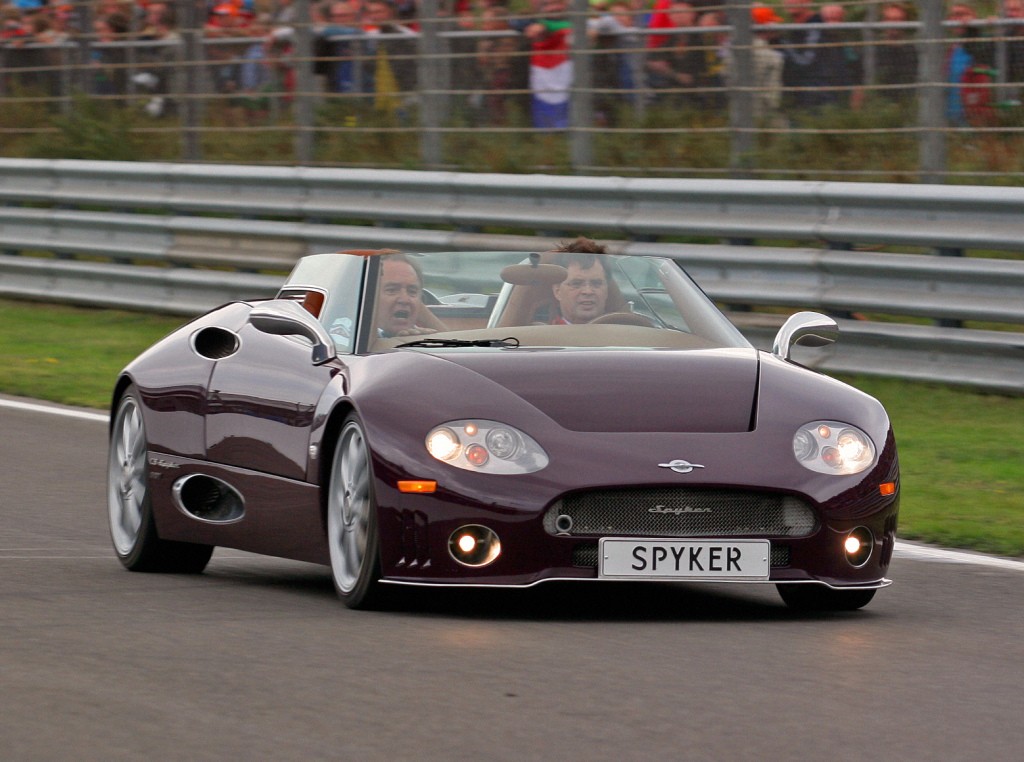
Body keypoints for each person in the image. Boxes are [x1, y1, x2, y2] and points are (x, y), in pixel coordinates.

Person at [550, 238, 612, 325]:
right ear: (557, 291)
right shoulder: (541, 337)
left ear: (607, 290)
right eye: (576, 284)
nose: (588, 291)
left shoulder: (625, 334)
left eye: (596, 283)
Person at [376, 253, 436, 337]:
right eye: (392, 290)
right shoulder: (354, 339)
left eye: (412, 291)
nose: (404, 299)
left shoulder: (425, 339)